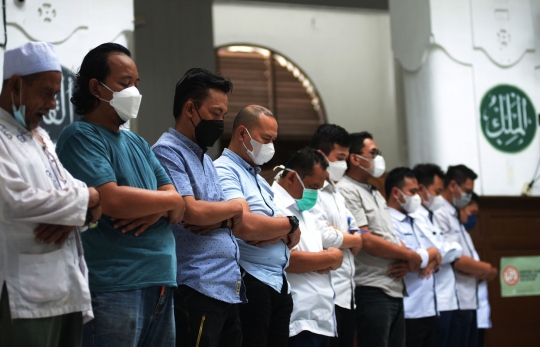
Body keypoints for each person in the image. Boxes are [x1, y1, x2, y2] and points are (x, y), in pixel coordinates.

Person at [56, 43, 185, 347]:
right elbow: (110, 199)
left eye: (136, 84)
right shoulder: (81, 136)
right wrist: (166, 203)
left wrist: (161, 205)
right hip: (115, 284)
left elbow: (178, 205)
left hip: (161, 281)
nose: (134, 92)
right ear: (95, 88)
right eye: (125, 83)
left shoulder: (137, 142)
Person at [0, 42, 101, 347]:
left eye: (56, 94)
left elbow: (75, 190)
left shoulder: (40, 136)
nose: (54, 105)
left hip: (67, 287)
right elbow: (13, 200)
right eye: (47, 92)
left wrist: (82, 210)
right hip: (23, 295)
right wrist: (91, 200)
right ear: (17, 84)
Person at [152, 68, 245, 347]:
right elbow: (190, 212)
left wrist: (226, 214)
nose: (220, 122)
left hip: (227, 286)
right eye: (216, 113)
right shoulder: (167, 150)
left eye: (223, 115)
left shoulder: (203, 158)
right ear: (190, 109)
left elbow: (225, 218)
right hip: (196, 285)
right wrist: (235, 207)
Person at [213, 105, 300, 347]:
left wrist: (284, 226)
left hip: (278, 282)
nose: (271, 146)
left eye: (274, 139)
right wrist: (286, 226)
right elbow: (246, 225)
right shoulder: (223, 170)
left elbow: (294, 234)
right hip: (251, 279)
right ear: (243, 134)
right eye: (266, 139)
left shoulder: (260, 180)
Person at [337, 131, 422, 347]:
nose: (378, 158)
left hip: (393, 286)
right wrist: (408, 255)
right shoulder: (347, 189)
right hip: (371, 288)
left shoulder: (374, 191)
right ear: (355, 158)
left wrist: (405, 261)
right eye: (373, 153)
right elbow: (366, 239)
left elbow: (388, 234)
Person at [272, 147, 343, 347]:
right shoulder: (273, 204)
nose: (315, 194)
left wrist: (326, 257)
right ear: (293, 177)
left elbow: (311, 255)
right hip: (298, 315)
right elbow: (286, 259)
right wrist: (331, 258)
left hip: (321, 315)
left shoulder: (303, 209)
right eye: (312, 186)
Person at [309, 124, 363, 347]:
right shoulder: (311, 189)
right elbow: (322, 235)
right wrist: (354, 239)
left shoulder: (336, 190)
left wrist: (354, 237)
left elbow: (357, 228)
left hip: (347, 293)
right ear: (321, 155)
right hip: (326, 292)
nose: (345, 163)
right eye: (340, 157)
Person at [434, 165, 497, 347]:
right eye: (467, 191)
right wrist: (485, 269)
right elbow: (456, 260)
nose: (468, 196)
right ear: (453, 185)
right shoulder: (440, 212)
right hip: (453, 300)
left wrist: (479, 270)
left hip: (467, 300)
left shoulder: (454, 214)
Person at [385, 167, 442, 347]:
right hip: (408, 309)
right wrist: (424, 257)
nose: (418, 196)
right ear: (396, 192)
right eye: (413, 191)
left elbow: (437, 251)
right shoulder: (387, 220)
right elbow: (406, 258)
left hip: (429, 307)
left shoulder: (415, 219)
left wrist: (429, 257)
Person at [412, 164, 464, 347]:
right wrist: (437, 254)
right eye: (437, 191)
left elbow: (452, 250)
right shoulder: (415, 216)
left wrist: (438, 254)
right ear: (421, 189)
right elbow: (434, 251)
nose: (440, 197)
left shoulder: (430, 215)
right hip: (433, 301)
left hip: (446, 299)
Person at [459, 193, 493, 347]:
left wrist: (484, 270)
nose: (473, 218)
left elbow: (485, 271)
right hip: (461, 306)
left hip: (476, 309)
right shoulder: (454, 234)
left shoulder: (466, 235)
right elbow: (462, 266)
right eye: (471, 213)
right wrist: (485, 269)